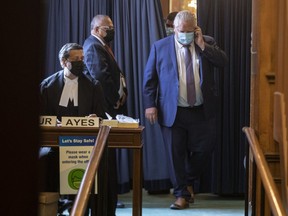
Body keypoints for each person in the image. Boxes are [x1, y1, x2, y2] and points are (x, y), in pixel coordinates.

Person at [143, 10, 228, 210]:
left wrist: (203, 45)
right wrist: (150, 105)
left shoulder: (205, 43)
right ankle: (181, 194)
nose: (185, 34)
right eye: (182, 30)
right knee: (175, 154)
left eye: (190, 31)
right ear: (174, 29)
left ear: (196, 29)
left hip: (201, 109)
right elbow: (149, 80)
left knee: (204, 149)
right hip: (172, 110)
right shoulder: (160, 47)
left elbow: (223, 62)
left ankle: (188, 180)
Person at [39, 43, 107, 214]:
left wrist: (95, 119)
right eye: (76, 59)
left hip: (83, 144)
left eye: (82, 59)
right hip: (55, 145)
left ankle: (79, 209)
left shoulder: (93, 85)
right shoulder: (47, 86)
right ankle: (51, 206)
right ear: (63, 62)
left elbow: (101, 117)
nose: (80, 62)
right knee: (45, 158)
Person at [83, 14, 128, 214]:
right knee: (104, 156)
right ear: (95, 29)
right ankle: (104, 200)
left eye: (112, 26)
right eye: (107, 27)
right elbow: (100, 77)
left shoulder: (100, 44)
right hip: (105, 109)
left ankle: (109, 198)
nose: (111, 30)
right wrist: (115, 99)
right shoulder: (93, 45)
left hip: (111, 106)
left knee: (109, 157)